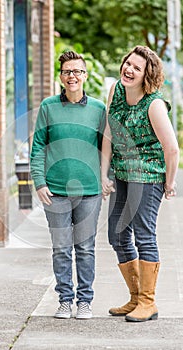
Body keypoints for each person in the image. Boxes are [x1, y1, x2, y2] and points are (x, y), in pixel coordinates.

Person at [101, 45, 179, 322]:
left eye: (137, 67)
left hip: (148, 177)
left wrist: (169, 184)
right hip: (122, 175)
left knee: (144, 235)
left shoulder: (154, 104)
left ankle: (149, 301)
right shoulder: (116, 91)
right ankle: (135, 298)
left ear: (147, 74)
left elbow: (172, 148)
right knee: (117, 235)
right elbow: (109, 131)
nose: (129, 69)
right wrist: (104, 172)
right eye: (128, 64)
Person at [30, 51, 106, 319]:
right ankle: (65, 299)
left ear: (85, 75)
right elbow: (38, 145)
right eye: (67, 72)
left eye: (77, 71)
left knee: (85, 247)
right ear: (60, 77)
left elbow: (105, 148)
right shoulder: (48, 106)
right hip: (56, 191)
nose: (72, 76)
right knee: (61, 248)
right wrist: (39, 182)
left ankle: (84, 301)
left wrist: (106, 178)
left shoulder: (98, 109)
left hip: (89, 191)